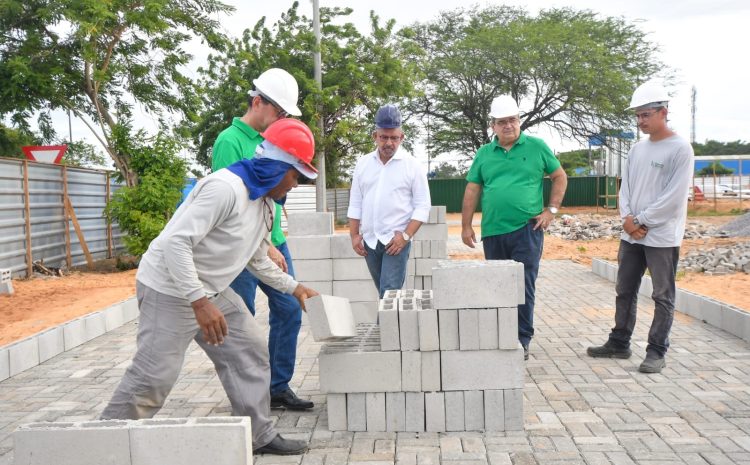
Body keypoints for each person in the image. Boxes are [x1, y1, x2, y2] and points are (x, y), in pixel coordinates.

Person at [101, 118, 320, 456]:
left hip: (210, 290)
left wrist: (294, 287)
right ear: (279, 166)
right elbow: (175, 243)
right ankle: (104, 445)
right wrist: (199, 302)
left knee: (249, 351)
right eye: (296, 176)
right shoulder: (225, 188)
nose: (295, 185)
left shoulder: (264, 203)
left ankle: (258, 435)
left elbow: (258, 258)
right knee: (154, 378)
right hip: (169, 289)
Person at [211, 68, 313, 411]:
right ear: (258, 102)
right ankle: (246, 393)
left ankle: (276, 387)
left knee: (289, 310)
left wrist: (274, 241)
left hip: (274, 240)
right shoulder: (230, 141)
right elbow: (236, 205)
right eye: (279, 112)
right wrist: (264, 247)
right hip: (244, 247)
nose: (281, 119)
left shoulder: (274, 139)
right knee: (242, 319)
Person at [587, 81, 694, 374]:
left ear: (663, 112)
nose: (640, 121)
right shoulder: (636, 150)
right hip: (631, 234)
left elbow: (673, 198)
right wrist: (627, 220)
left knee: (662, 295)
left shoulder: (680, 149)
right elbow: (627, 188)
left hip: (661, 237)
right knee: (624, 289)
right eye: (637, 116)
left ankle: (657, 351)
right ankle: (619, 342)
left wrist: (641, 221)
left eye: (645, 114)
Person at [461, 95, 567, 361]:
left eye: (512, 120)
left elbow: (559, 176)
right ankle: (500, 334)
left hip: (527, 230)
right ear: (493, 126)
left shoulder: (536, 147)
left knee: (523, 285)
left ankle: (522, 339)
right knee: (497, 286)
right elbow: (473, 188)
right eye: (502, 122)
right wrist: (465, 226)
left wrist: (551, 210)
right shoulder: (484, 154)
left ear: (519, 121)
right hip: (494, 231)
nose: (508, 125)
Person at [347, 104, 432, 297]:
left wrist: (406, 236)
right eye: (384, 137)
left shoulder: (412, 166)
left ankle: (387, 327)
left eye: (394, 138)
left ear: (402, 137)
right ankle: (393, 326)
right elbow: (356, 202)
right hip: (369, 240)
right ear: (374, 136)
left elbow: (422, 206)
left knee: (389, 293)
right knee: (384, 294)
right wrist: (354, 235)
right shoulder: (363, 164)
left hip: (396, 241)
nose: (389, 143)